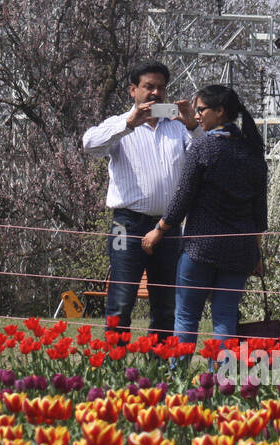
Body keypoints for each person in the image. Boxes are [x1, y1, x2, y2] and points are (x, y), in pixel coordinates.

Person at [82, 61, 202, 341]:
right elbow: (89, 145)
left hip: (168, 227)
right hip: (127, 225)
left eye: (161, 88)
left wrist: (194, 126)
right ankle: (113, 366)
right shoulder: (118, 125)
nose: (155, 94)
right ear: (133, 91)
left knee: (166, 304)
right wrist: (127, 125)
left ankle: (157, 368)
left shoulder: (178, 127)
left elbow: (205, 157)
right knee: (122, 299)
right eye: (149, 87)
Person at [141, 84, 268, 348]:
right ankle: (220, 383)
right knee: (224, 318)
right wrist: (257, 253)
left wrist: (159, 229)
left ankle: (180, 380)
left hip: (200, 248)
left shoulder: (202, 149)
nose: (196, 116)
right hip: (241, 251)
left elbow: (182, 199)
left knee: (187, 317)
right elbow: (259, 213)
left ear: (219, 112)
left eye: (201, 110)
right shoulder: (253, 154)